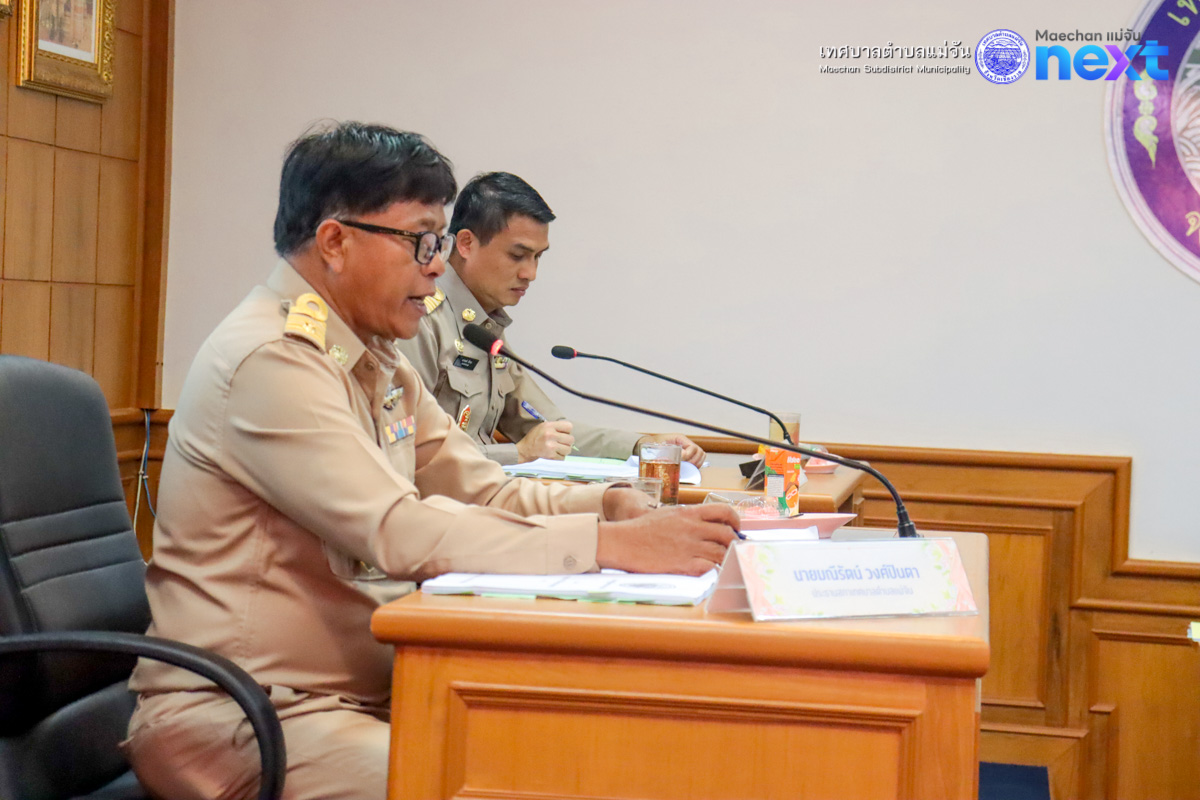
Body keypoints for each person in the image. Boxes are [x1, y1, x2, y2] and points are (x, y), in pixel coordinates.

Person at [121, 122, 739, 800]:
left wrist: (609, 505)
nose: (438, 265)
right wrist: (608, 545)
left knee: (578, 755)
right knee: (504, 785)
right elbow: (398, 529)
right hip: (249, 715)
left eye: (438, 242)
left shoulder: (373, 356)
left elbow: (485, 490)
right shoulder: (273, 358)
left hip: (368, 691)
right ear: (336, 241)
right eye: (421, 241)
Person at [396, 172, 705, 467]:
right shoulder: (420, 319)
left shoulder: (484, 326)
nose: (530, 273)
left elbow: (552, 429)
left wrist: (642, 445)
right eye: (518, 256)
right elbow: (409, 451)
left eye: (538, 257)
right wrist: (516, 454)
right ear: (466, 243)